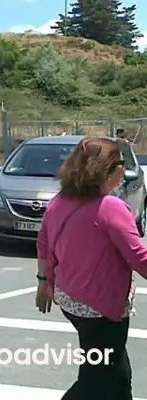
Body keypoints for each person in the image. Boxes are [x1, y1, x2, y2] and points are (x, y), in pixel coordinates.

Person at [36, 136, 147, 399]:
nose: (124, 169)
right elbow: (139, 257)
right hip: (101, 310)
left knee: (117, 371)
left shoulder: (60, 200)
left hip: (70, 301)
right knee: (97, 378)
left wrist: (43, 282)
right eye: (121, 162)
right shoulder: (110, 207)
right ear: (109, 168)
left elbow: (43, 243)